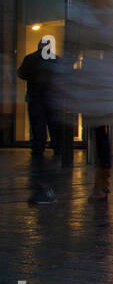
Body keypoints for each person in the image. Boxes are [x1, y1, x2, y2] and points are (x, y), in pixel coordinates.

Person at [64, 0, 113, 200]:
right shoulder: (88, 14)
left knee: (100, 132)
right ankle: (101, 179)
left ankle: (102, 181)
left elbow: (102, 40)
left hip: (101, 79)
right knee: (96, 131)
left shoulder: (106, 16)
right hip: (93, 79)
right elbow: (71, 45)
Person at [18, 42, 63, 204]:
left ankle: (38, 146)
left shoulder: (31, 58)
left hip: (35, 98)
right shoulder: (56, 60)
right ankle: (56, 146)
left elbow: (21, 74)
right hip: (52, 98)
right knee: (53, 124)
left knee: (38, 125)